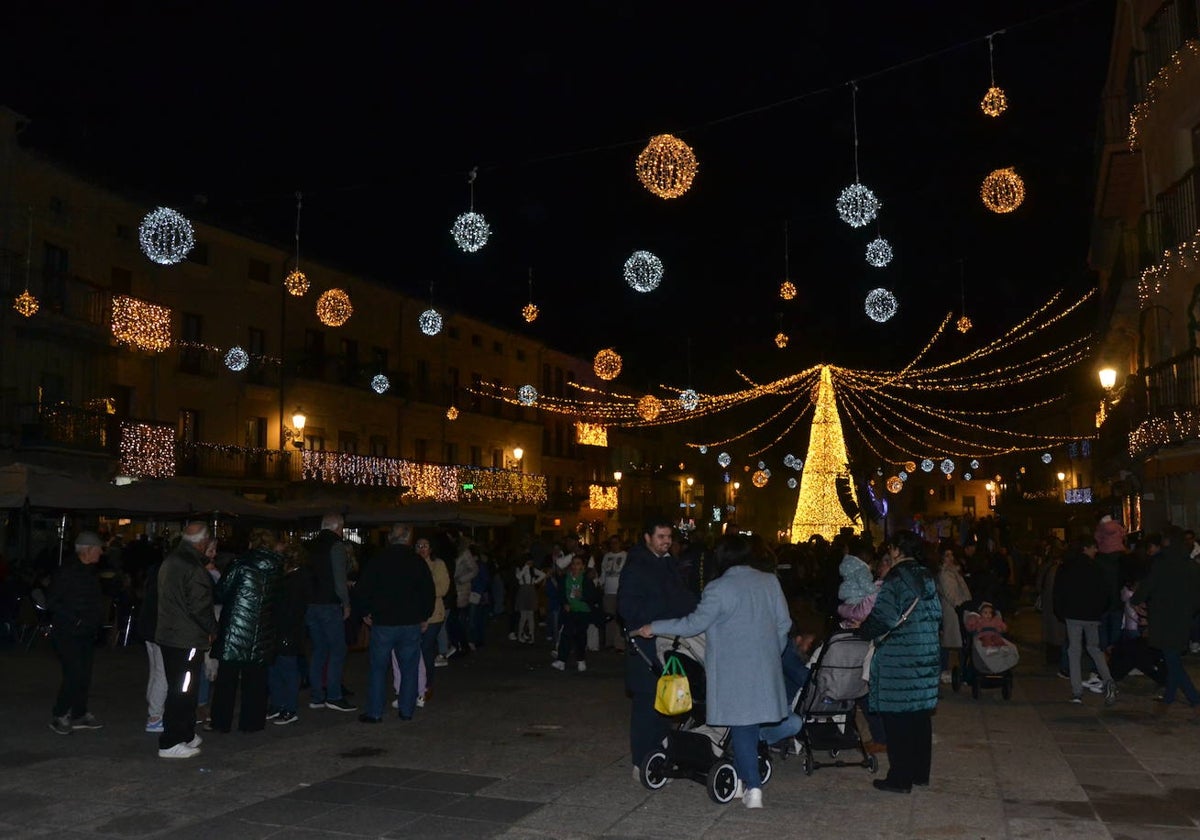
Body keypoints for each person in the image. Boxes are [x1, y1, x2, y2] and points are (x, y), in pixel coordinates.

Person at [637, 534, 792, 809]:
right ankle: (757, 769)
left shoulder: (718, 588)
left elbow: (692, 625)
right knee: (757, 723)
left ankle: (752, 787)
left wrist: (655, 627)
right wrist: (771, 652)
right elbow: (784, 624)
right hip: (764, 668)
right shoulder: (770, 582)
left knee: (743, 727)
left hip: (733, 671)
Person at [857, 530, 941, 794]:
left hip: (899, 656)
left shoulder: (896, 577)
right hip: (925, 652)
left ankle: (900, 778)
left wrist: (863, 630)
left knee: (898, 718)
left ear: (896, 550)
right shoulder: (926, 575)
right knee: (918, 716)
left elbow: (884, 617)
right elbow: (937, 613)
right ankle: (919, 773)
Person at [618, 518, 697, 780]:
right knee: (645, 702)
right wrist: (663, 614)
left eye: (669, 537)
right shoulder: (637, 566)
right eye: (661, 536)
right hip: (646, 644)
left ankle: (661, 751)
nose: (666, 541)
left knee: (666, 700)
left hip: (668, 642)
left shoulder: (668, 563)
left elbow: (681, 596)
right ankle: (641, 760)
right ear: (647, 537)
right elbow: (627, 608)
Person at [354, 523, 435, 723]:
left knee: (378, 668)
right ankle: (407, 710)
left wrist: (365, 612)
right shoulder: (417, 562)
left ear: (390, 538)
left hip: (383, 622)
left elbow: (363, 588)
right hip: (410, 623)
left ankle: (374, 711)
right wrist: (425, 616)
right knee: (409, 668)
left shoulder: (377, 560)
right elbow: (428, 592)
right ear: (408, 539)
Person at [208, 529, 283, 733]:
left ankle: (221, 722)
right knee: (257, 679)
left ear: (252, 543)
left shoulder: (239, 563)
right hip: (263, 629)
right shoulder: (278, 566)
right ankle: (252, 723)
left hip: (236, 628)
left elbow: (221, 592)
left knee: (227, 679)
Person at [155, 522, 218, 759]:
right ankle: (171, 740)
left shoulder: (172, 560)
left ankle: (185, 733)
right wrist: (213, 629)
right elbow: (200, 606)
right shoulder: (192, 566)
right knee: (182, 689)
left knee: (181, 686)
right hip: (186, 637)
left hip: (171, 633)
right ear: (202, 543)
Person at [1131, 525, 1200, 718]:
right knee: (1172, 657)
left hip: (1163, 617)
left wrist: (1136, 600)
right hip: (1183, 617)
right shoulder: (1191, 565)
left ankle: (1195, 699)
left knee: (1172, 660)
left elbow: (1148, 585)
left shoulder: (1161, 563)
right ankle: (1168, 699)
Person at [47, 531, 107, 735]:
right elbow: (53, 601)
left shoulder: (89, 571)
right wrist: (76, 619)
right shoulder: (68, 572)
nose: (101, 552)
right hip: (68, 632)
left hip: (86, 631)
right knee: (74, 674)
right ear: (88, 550)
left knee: (84, 675)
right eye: (99, 548)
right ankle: (60, 714)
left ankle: (79, 714)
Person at [1053, 537, 1117, 706]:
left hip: (1073, 614)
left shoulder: (1066, 567)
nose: (1096, 550)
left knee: (1074, 651)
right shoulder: (1097, 567)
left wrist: (1061, 612)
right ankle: (1109, 681)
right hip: (1092, 615)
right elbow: (1107, 592)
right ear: (1086, 548)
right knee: (1094, 649)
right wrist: (1100, 610)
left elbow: (1058, 591)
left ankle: (1077, 691)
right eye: (1093, 548)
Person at [305, 513, 356, 712]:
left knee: (319, 649)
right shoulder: (336, 546)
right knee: (337, 649)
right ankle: (334, 695)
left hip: (311, 604)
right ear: (338, 527)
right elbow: (339, 578)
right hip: (328, 604)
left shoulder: (310, 545)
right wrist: (346, 603)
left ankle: (317, 695)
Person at [268, 541, 311, 726]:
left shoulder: (294, 580)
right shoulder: (290, 578)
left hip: (287, 631)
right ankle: (279, 705)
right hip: (283, 631)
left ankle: (289, 708)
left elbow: (291, 611)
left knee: (286, 670)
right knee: (276, 669)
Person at [552, 555, 601, 672]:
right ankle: (561, 660)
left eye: (578, 564)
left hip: (583, 611)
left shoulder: (586, 580)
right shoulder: (565, 578)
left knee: (580, 636)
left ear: (582, 567)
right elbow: (561, 593)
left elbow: (594, 596)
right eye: (573, 564)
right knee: (566, 634)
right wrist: (565, 603)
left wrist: (582, 596)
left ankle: (581, 660)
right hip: (570, 611)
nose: (575, 566)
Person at [415, 537, 450, 700]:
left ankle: (427, 684)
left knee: (426, 648)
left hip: (433, 615)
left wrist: (423, 591)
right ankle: (417, 682)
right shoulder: (412, 564)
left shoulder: (438, 565)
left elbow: (442, 588)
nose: (422, 549)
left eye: (425, 546)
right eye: (419, 546)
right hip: (415, 615)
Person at [936, 544, 972, 683]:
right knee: (956, 643)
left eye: (951, 555)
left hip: (958, 611)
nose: (951, 558)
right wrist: (962, 606)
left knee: (956, 643)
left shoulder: (952, 571)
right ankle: (953, 672)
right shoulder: (945, 573)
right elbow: (951, 594)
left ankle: (953, 672)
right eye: (947, 555)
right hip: (954, 613)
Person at [600, 537, 627, 651]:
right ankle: (609, 642)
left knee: (619, 619)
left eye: (616, 543)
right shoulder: (607, 556)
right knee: (609, 618)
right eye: (612, 543)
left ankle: (619, 644)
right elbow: (603, 572)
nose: (614, 545)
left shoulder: (625, 555)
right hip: (608, 591)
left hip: (620, 591)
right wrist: (601, 583)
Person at [513, 553, 545, 644]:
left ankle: (531, 635)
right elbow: (518, 576)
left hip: (531, 591)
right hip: (523, 591)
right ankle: (520, 635)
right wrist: (525, 568)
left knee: (531, 616)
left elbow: (543, 574)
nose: (530, 562)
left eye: (531, 561)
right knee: (523, 616)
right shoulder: (520, 569)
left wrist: (535, 581)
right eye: (529, 560)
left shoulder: (533, 570)